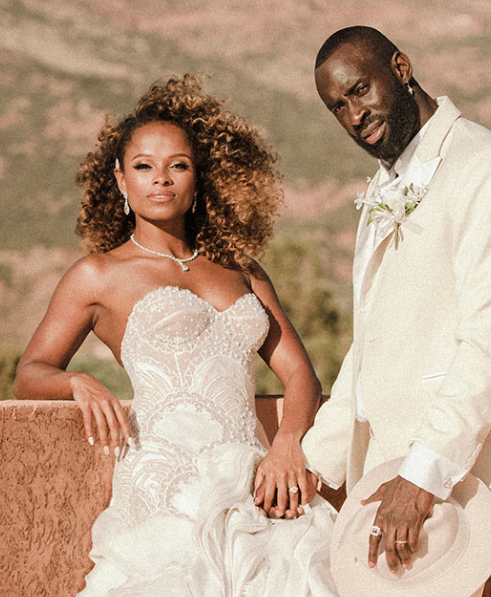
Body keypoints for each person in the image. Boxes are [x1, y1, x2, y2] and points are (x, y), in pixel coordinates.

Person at [13, 75, 339, 597]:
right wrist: (75, 382)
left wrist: (286, 445)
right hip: (166, 491)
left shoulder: (242, 271)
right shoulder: (96, 275)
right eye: (143, 166)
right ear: (120, 181)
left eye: (178, 165)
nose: (160, 179)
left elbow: (300, 373)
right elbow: (29, 374)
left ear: (198, 179)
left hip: (252, 481)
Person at [301, 26, 491, 595]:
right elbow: (371, 339)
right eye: (338, 106)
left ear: (401, 67)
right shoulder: (388, 184)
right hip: (388, 455)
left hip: (455, 459)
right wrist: (312, 462)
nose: (355, 115)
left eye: (360, 90)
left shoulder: (488, 169)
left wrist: (423, 475)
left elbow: (488, 339)